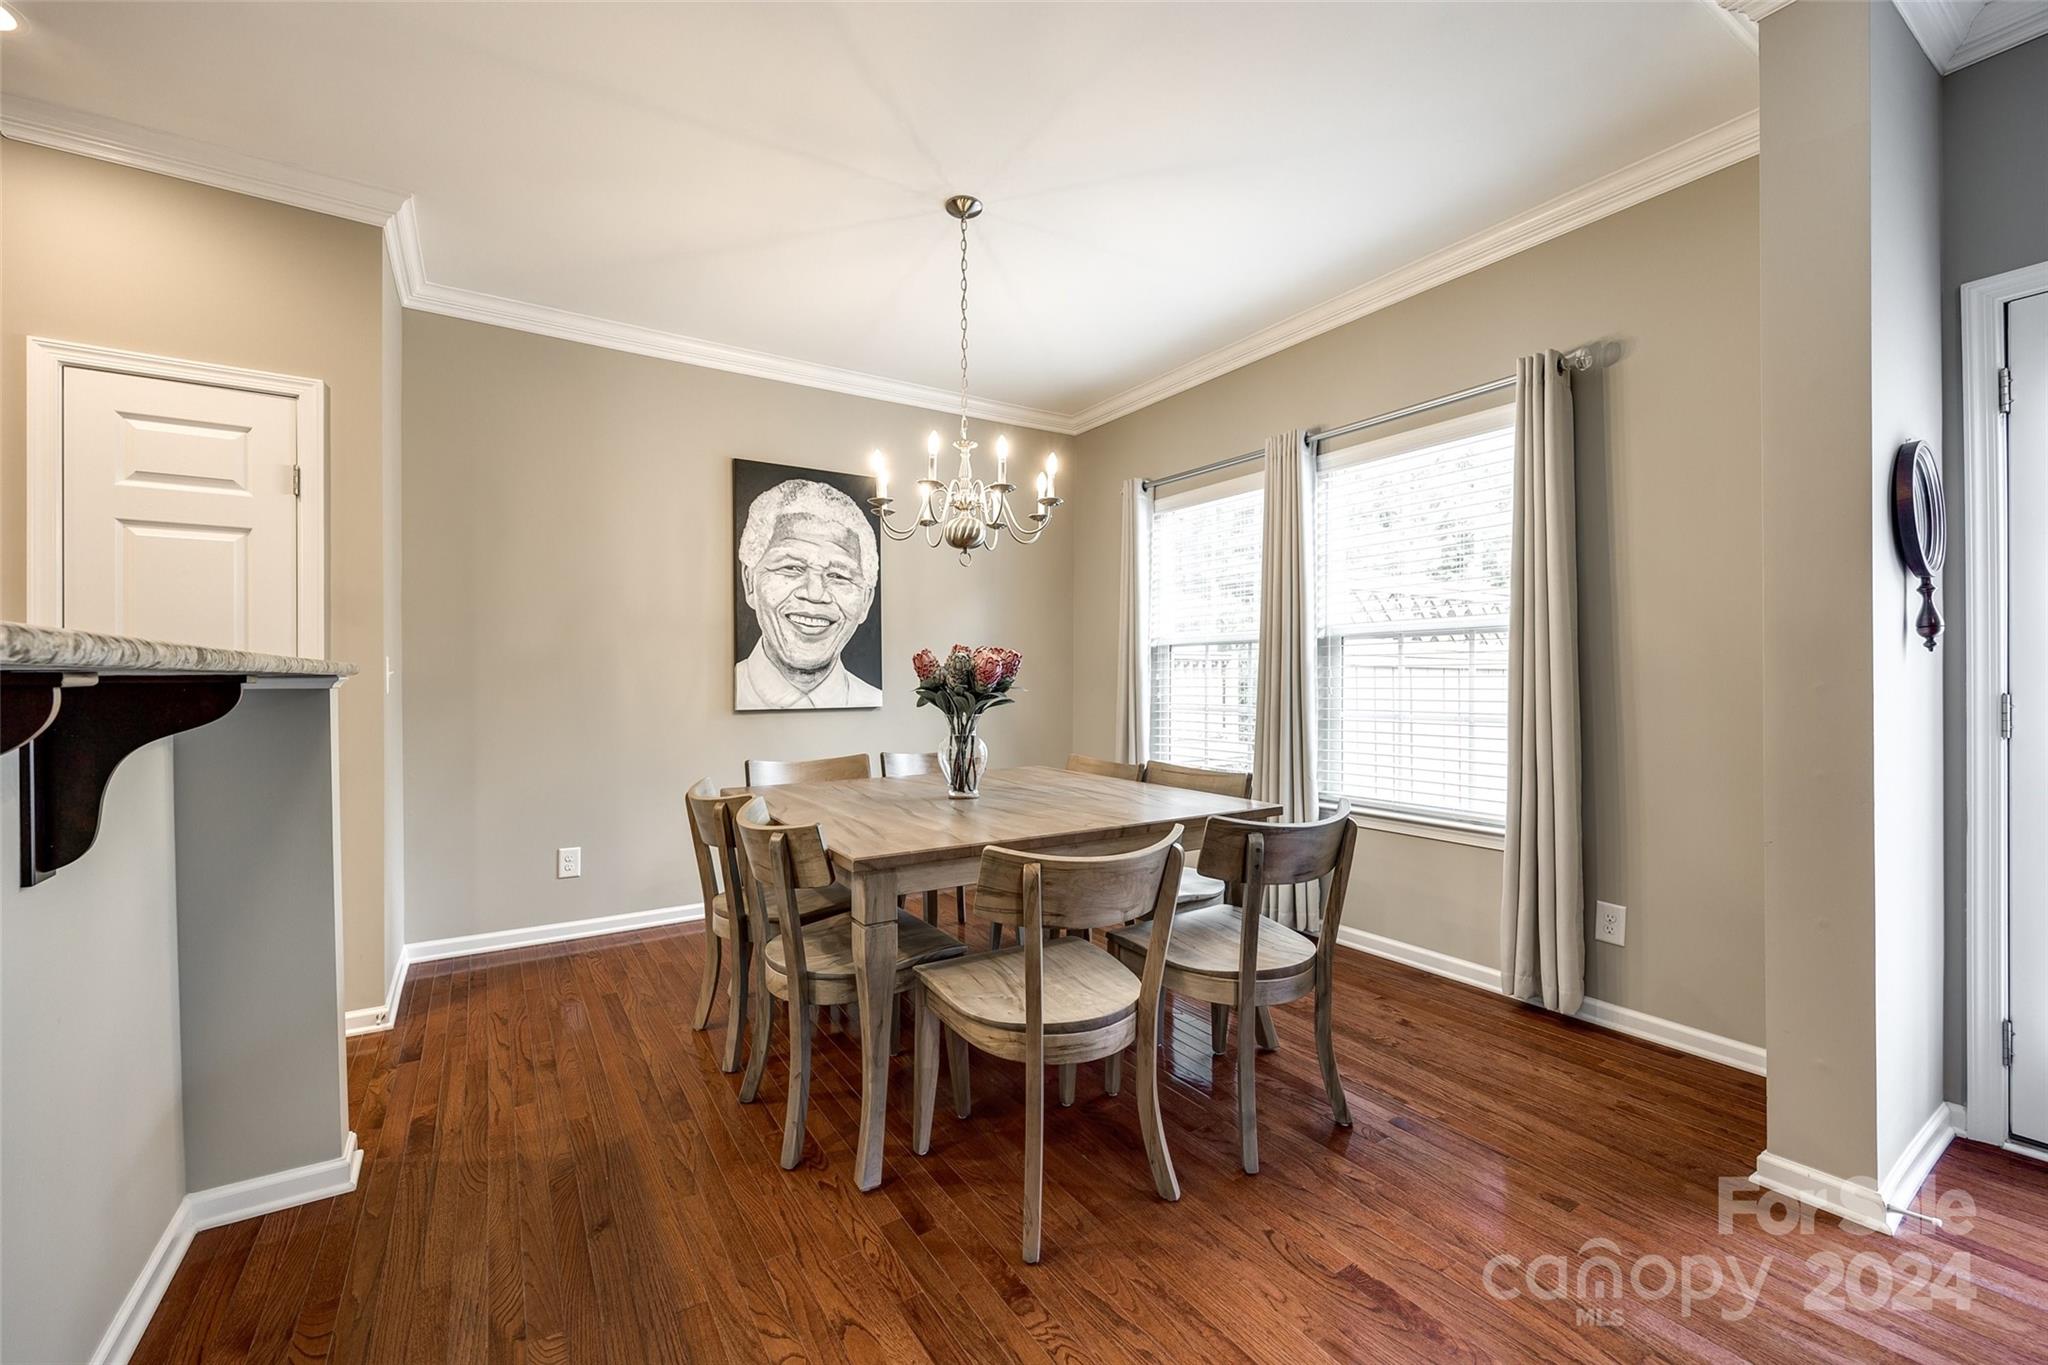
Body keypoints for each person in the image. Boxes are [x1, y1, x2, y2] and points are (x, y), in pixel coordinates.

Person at [734, 478, 884, 709]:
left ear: (866, 601)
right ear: (749, 582)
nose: (815, 594)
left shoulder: (873, 699)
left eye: (838, 575)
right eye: (791, 568)